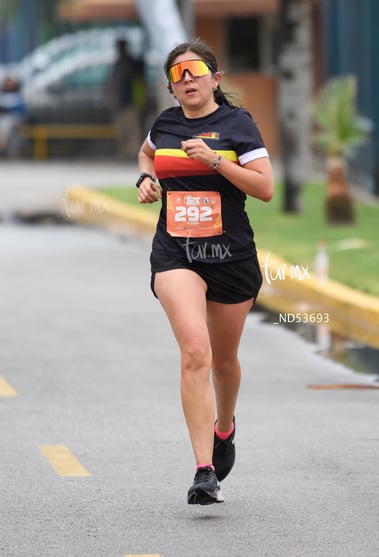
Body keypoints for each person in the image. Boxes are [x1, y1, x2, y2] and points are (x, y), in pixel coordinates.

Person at [136, 39, 274, 505]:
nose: (187, 79)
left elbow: (266, 189)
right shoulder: (166, 123)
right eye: (178, 75)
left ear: (216, 78)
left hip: (230, 257)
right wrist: (145, 178)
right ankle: (203, 470)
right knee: (195, 351)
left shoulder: (238, 125)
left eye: (195, 70)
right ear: (172, 88)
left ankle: (224, 427)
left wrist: (215, 160)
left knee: (224, 361)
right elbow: (146, 153)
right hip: (176, 252)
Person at [109, 37, 145, 160]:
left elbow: (140, 81)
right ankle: (124, 154)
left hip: (131, 103)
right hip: (119, 103)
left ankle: (132, 155)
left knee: (133, 132)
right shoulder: (118, 63)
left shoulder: (132, 63)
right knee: (121, 132)